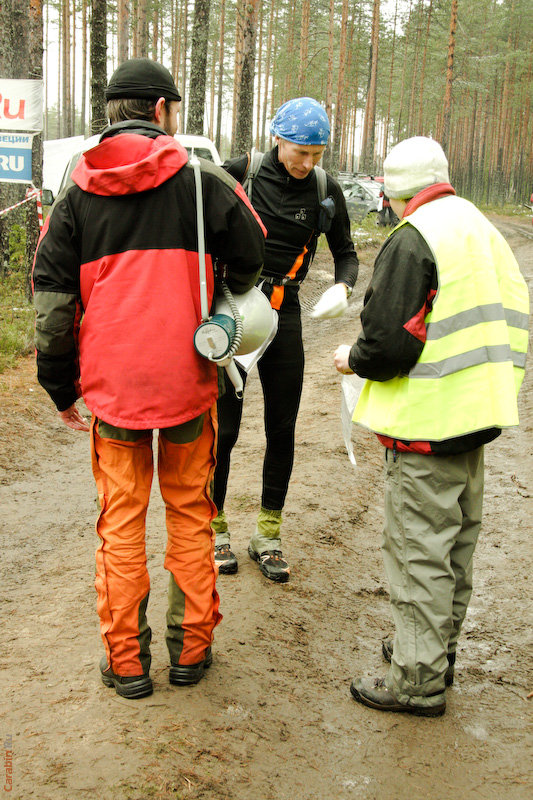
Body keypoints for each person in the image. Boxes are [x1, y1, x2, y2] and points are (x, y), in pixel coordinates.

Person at [32, 58, 265, 699]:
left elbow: (51, 304)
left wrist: (61, 386)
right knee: (191, 513)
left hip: (112, 390)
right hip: (188, 379)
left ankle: (127, 663)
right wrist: (222, 296)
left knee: (121, 521)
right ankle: (190, 653)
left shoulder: (74, 192)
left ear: (114, 113)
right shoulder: (203, 182)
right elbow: (253, 253)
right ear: (160, 110)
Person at [333, 136, 528, 716]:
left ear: (394, 193)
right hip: (476, 419)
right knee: (455, 551)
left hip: (426, 428)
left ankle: (417, 680)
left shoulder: (414, 238)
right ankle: (435, 652)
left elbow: (389, 343)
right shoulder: (480, 228)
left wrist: (352, 358)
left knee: (419, 554)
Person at [213, 97, 359, 581]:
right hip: (233, 308)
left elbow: (346, 253)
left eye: (317, 154)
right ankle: (214, 530)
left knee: (282, 427)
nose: (307, 163)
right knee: (225, 430)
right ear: (277, 138)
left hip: (284, 312)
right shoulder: (241, 172)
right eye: (300, 152)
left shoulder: (324, 188)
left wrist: (344, 285)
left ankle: (268, 535)